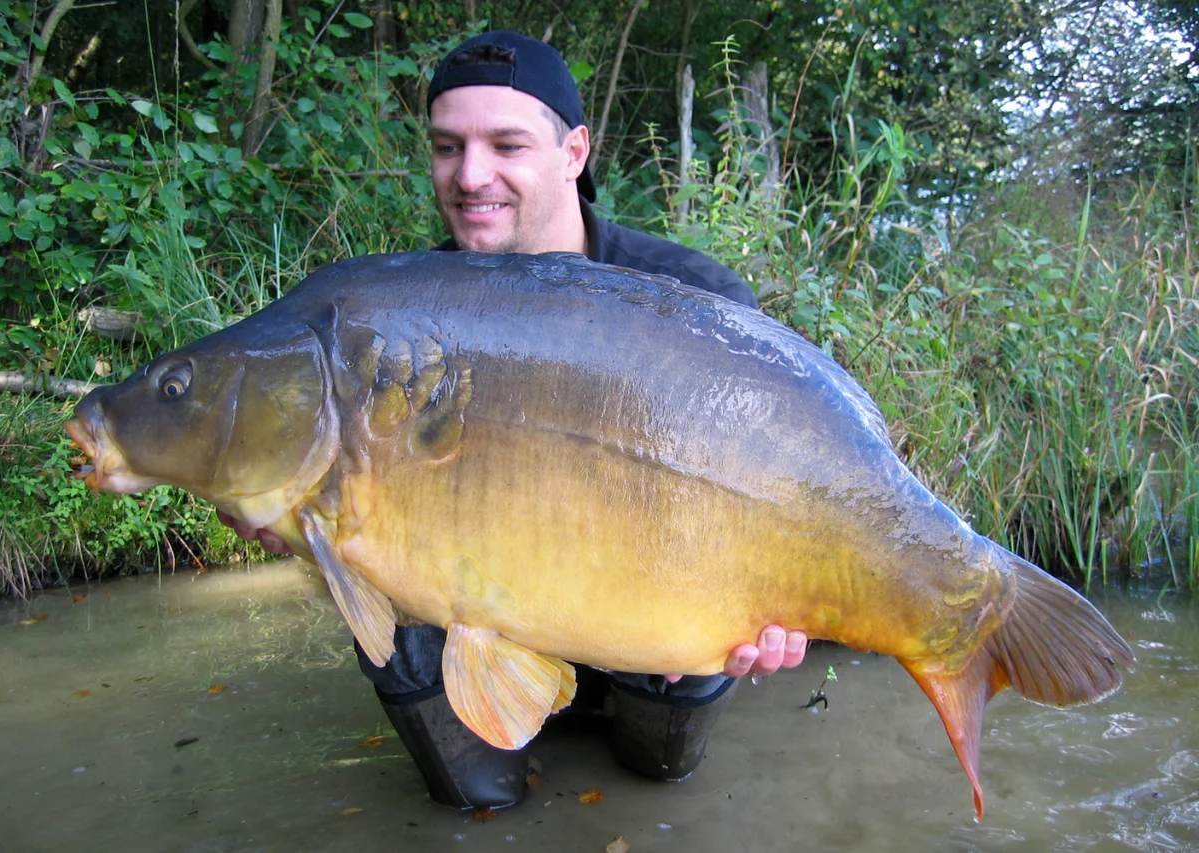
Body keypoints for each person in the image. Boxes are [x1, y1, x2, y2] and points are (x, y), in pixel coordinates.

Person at [220, 30, 807, 811]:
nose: (470, 175)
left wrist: (779, 609)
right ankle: (493, 752)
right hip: (482, 614)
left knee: (659, 775)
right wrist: (299, 520)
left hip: (646, 613)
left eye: (506, 144)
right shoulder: (401, 314)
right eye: (446, 146)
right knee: (473, 796)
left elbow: (785, 479)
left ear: (574, 152)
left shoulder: (692, 299)